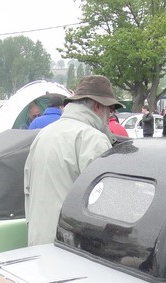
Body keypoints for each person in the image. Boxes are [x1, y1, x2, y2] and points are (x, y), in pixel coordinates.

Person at [24, 74, 120, 246]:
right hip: (71, 247)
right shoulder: (93, 139)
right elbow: (104, 204)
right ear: (98, 106)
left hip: (38, 240)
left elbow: (28, 190)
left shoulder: (44, 134)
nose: (110, 115)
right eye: (110, 109)